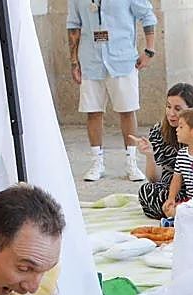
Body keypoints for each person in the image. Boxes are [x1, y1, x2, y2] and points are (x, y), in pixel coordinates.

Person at [67, 0, 157, 182]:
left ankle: (131, 162)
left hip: (123, 59)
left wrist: (149, 50)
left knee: (127, 110)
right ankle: (97, 163)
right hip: (91, 61)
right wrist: (74, 62)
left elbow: (147, 15)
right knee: (93, 112)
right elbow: (74, 25)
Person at [131, 83, 193, 220]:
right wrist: (150, 155)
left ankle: (184, 213)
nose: (171, 113)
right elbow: (155, 179)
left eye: (178, 109)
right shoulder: (159, 131)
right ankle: (182, 212)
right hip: (173, 189)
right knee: (147, 191)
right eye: (168, 106)